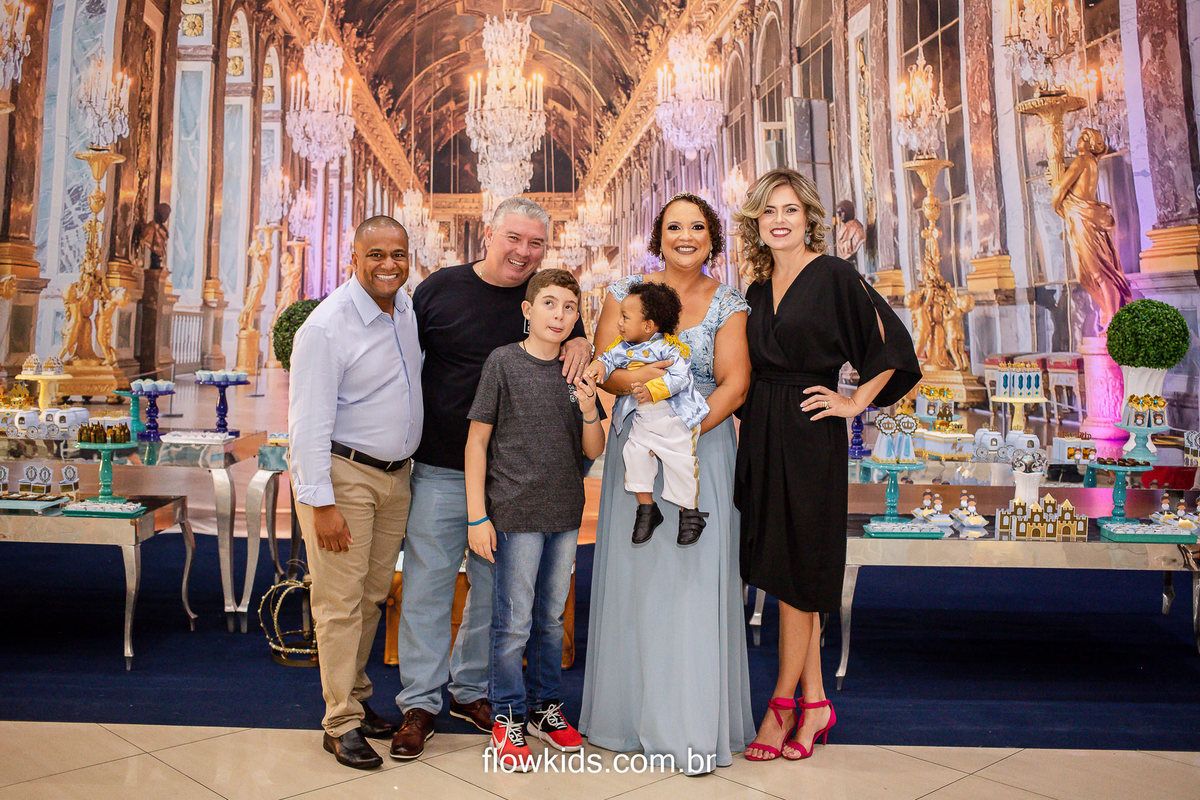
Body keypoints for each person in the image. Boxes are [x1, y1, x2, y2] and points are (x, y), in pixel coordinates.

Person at [392, 197, 592, 760]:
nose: (523, 252)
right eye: (514, 238)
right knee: (428, 587)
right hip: (440, 467)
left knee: (492, 596)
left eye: (535, 243)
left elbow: (575, 351)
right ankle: (419, 702)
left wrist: (583, 341)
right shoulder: (440, 290)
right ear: (488, 234)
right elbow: (401, 363)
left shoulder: (545, 302)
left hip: (509, 483)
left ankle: (470, 690)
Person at [733, 169, 920, 761]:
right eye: (768, 211)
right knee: (783, 569)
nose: (779, 220)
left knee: (800, 573)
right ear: (756, 222)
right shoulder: (756, 288)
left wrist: (854, 402)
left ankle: (780, 707)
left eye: (790, 209)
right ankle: (815, 703)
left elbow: (892, 347)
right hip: (761, 432)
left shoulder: (836, 275)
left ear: (808, 218)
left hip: (811, 434)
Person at [579, 193, 755, 775]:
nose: (685, 236)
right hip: (638, 444)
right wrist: (650, 408)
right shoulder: (624, 293)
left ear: (712, 237)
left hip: (702, 446)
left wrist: (685, 428)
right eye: (674, 226)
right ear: (658, 236)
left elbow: (734, 383)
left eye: (697, 226)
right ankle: (629, 716)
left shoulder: (728, 303)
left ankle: (690, 724)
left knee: (692, 582)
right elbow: (606, 368)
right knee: (639, 579)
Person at [288, 216, 423, 770]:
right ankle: (340, 722)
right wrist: (321, 503)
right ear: (354, 258)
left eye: (398, 254)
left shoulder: (404, 308)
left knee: (371, 595)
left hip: (395, 478)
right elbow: (306, 423)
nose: (389, 265)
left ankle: (359, 698)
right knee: (339, 601)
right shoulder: (327, 327)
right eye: (376, 255)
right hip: (344, 478)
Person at [464, 269, 606, 770]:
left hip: (564, 513)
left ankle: (546, 707)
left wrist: (588, 408)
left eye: (569, 307)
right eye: (549, 303)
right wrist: (477, 516)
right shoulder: (504, 362)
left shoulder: (576, 370)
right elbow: (477, 441)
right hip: (514, 513)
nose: (559, 315)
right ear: (528, 310)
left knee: (550, 619)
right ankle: (507, 716)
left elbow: (594, 449)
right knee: (514, 621)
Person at [583, 281, 709, 546]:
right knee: (634, 455)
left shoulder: (668, 348)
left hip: (672, 420)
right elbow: (607, 359)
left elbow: (681, 378)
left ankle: (689, 512)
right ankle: (647, 508)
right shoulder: (622, 347)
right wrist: (599, 367)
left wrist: (653, 390)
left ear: (649, 325)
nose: (619, 323)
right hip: (643, 421)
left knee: (680, 463)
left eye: (625, 317)